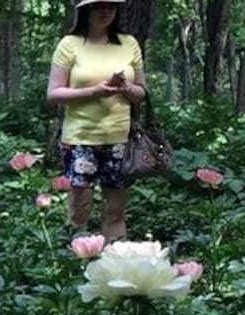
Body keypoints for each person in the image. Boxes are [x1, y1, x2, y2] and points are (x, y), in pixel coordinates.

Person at [46, 0, 147, 240]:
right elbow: (54, 94)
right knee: (79, 211)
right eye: (98, 7)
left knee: (115, 212)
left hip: (120, 140)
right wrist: (95, 92)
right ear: (86, 10)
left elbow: (142, 91)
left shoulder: (129, 43)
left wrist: (126, 88)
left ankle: (116, 258)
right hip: (81, 139)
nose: (105, 12)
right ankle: (78, 257)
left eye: (111, 7)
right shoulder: (70, 44)